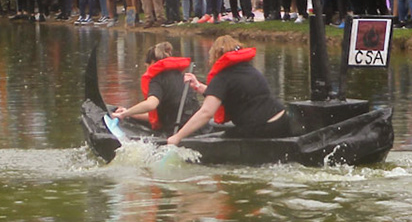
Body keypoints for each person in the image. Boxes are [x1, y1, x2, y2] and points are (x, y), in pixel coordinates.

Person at [166, 35, 295, 146]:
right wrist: (199, 86)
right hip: (281, 121)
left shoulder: (223, 77)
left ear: (216, 55)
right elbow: (225, 94)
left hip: (262, 128)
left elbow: (206, 113)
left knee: (220, 139)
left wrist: (177, 137)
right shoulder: (248, 69)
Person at [111, 40, 193, 130]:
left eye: (146, 66)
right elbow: (155, 117)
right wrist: (129, 112)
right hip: (191, 124)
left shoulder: (157, 80)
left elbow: (151, 105)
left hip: (175, 128)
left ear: (152, 63)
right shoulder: (182, 76)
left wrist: (123, 114)